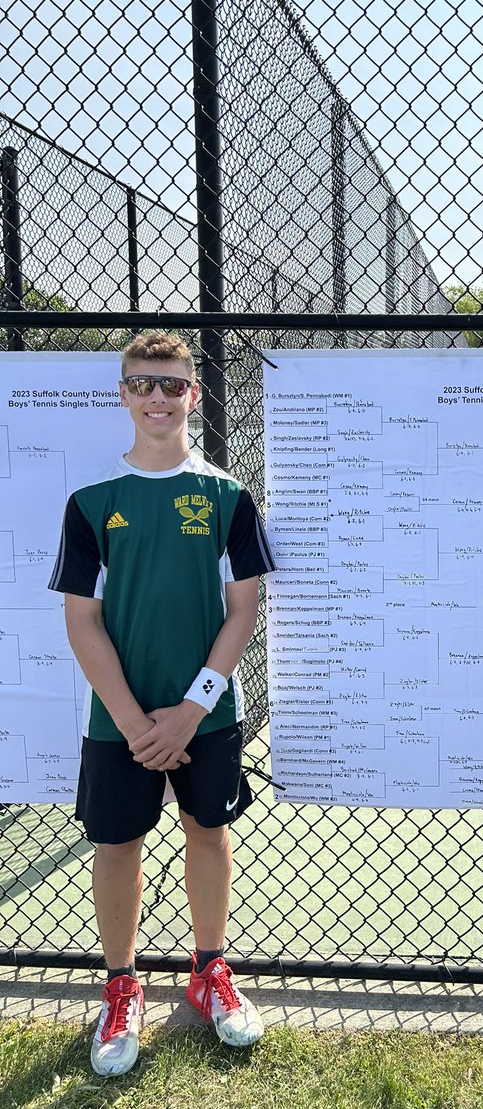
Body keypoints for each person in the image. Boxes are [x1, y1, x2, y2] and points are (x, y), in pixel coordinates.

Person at [49, 331, 275, 1077]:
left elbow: (242, 610)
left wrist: (188, 709)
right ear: (122, 393)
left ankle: (210, 971)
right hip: (119, 719)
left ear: (192, 395)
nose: (156, 396)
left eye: (171, 384)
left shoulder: (227, 496)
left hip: (203, 715)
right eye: (142, 383)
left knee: (206, 832)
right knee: (117, 845)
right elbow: (82, 620)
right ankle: (121, 987)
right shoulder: (91, 503)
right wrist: (133, 718)